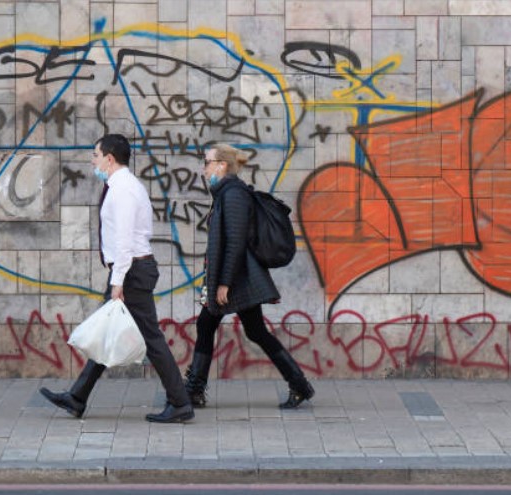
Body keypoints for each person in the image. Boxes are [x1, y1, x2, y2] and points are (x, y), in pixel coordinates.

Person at [39, 134, 194, 423]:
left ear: (110, 158)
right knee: (109, 330)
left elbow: (124, 241)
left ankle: (180, 403)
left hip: (132, 270)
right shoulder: (124, 186)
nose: (93, 161)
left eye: (95, 155)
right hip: (132, 269)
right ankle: (77, 397)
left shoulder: (123, 190)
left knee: (152, 339)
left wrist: (118, 281)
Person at [184, 143, 315, 409]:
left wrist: (224, 283)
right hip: (235, 277)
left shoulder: (233, 195)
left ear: (222, 165)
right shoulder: (225, 193)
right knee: (249, 330)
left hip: (236, 279)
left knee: (212, 325)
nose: (203, 167)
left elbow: (235, 242)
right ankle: (299, 383)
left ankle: (195, 390)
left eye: (207, 161)